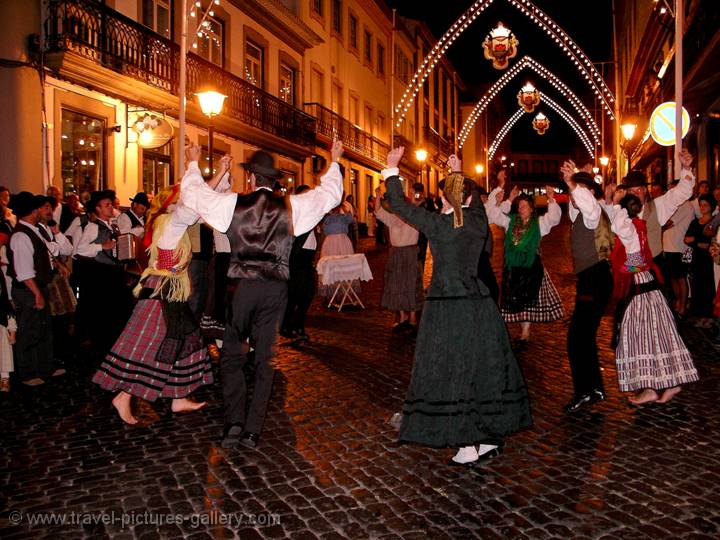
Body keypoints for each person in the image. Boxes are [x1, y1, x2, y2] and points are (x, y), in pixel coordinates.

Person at [165, 141, 344, 450]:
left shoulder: (233, 204)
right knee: (265, 359)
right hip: (275, 289)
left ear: (251, 178)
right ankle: (252, 430)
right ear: (274, 180)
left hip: (241, 288)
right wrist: (335, 161)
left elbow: (194, 196)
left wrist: (193, 163)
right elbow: (329, 196)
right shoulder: (292, 206)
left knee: (232, 357)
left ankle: (234, 423)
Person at [382, 148, 531, 466]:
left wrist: (391, 169)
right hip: (478, 305)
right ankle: (488, 436)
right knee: (481, 369)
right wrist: (459, 172)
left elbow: (398, 204)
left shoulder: (438, 225)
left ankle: (468, 443)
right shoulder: (476, 220)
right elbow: (473, 202)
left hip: (449, 308)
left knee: (454, 371)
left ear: (446, 200)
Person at [92, 179, 220, 424]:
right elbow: (193, 205)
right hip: (162, 291)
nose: (185, 203)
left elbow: (199, 203)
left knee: (187, 339)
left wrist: (217, 178)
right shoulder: (171, 223)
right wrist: (203, 172)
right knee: (151, 343)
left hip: (169, 291)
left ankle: (178, 397)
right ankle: (124, 395)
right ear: (172, 205)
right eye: (180, 200)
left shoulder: (170, 222)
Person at [609, 190, 698, 404]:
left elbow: (618, 228)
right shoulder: (640, 224)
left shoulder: (630, 228)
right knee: (660, 333)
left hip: (640, 286)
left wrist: (615, 203)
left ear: (625, 211)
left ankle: (650, 388)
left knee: (639, 336)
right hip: (648, 284)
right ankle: (671, 383)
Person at [559, 164, 614, 413]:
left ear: (590, 191)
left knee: (576, 338)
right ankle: (594, 387)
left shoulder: (594, 211)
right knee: (584, 336)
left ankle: (586, 390)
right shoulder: (581, 213)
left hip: (595, 278)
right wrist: (571, 181)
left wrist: (575, 183)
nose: (575, 195)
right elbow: (574, 208)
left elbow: (586, 204)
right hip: (590, 278)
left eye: (581, 189)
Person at [486, 186, 564, 342]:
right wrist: (503, 200)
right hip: (513, 267)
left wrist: (551, 199)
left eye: (524, 206)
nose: (521, 209)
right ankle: (522, 331)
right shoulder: (510, 221)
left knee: (528, 299)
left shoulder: (539, 223)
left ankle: (525, 332)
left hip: (531, 267)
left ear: (531, 208)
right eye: (519, 206)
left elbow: (554, 218)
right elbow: (494, 216)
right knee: (516, 299)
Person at [6, 193, 59, 385]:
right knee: (29, 331)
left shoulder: (33, 231)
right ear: (33, 211)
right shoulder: (21, 235)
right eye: (38, 208)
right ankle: (28, 373)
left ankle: (45, 367)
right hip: (27, 290)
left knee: (43, 329)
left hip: (37, 286)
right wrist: (37, 293)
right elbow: (23, 270)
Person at [375, 185, 423, 331]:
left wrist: (415, 203)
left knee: (411, 285)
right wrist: (377, 195)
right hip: (396, 253)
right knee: (397, 285)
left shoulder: (414, 215)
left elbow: (419, 209)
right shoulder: (393, 216)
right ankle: (403, 316)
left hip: (409, 252)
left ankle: (413, 317)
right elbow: (378, 211)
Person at [281, 185, 318, 340]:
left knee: (307, 295)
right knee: (294, 296)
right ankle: (287, 326)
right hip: (297, 260)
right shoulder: (296, 215)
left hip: (308, 260)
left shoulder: (311, 214)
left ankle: (298, 324)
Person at [684, 194, 717, 328]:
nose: (702, 208)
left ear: (711, 207)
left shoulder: (714, 222)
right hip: (697, 258)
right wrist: (698, 242)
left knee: (708, 286)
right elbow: (687, 239)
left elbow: (711, 242)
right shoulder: (695, 222)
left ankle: (709, 316)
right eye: (701, 205)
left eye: (705, 205)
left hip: (709, 259)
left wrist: (696, 241)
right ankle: (698, 315)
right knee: (697, 286)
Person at [662, 193, 695, 320]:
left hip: (678, 247)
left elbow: (668, 223)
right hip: (669, 246)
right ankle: (677, 303)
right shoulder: (675, 205)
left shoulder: (685, 205)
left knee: (681, 277)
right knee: (673, 277)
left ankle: (682, 306)